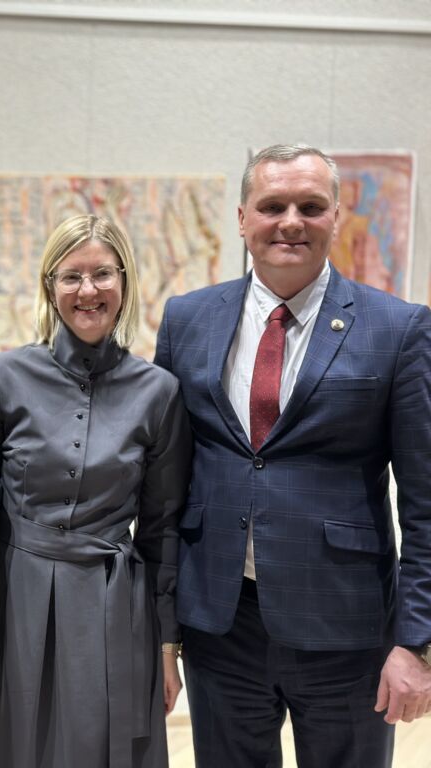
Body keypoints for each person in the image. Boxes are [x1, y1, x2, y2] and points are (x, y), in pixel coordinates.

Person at [154, 143, 431, 768]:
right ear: (242, 218)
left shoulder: (398, 328)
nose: (290, 222)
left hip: (347, 629)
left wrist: (417, 642)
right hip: (220, 624)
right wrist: (164, 629)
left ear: (336, 215)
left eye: (310, 206)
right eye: (271, 206)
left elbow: (424, 502)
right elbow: (165, 489)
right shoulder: (186, 320)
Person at [0, 214, 191, 768]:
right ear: (49, 285)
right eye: (71, 276)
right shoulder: (3, 376)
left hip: (111, 607)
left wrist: (167, 644)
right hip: (9, 599)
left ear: (124, 281)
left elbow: (162, 527)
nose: (87, 291)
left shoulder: (159, 393)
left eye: (102, 273)